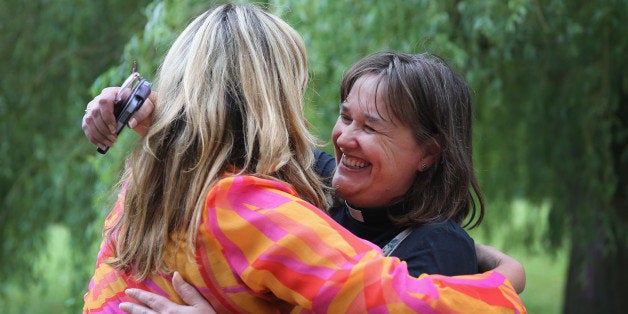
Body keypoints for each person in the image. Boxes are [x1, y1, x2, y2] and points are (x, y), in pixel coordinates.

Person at [83, 3, 526, 313]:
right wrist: (505, 281)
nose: (344, 139)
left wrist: (499, 272)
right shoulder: (277, 198)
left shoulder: (148, 184)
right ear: (269, 99)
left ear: (429, 153)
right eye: (345, 116)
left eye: (371, 127)